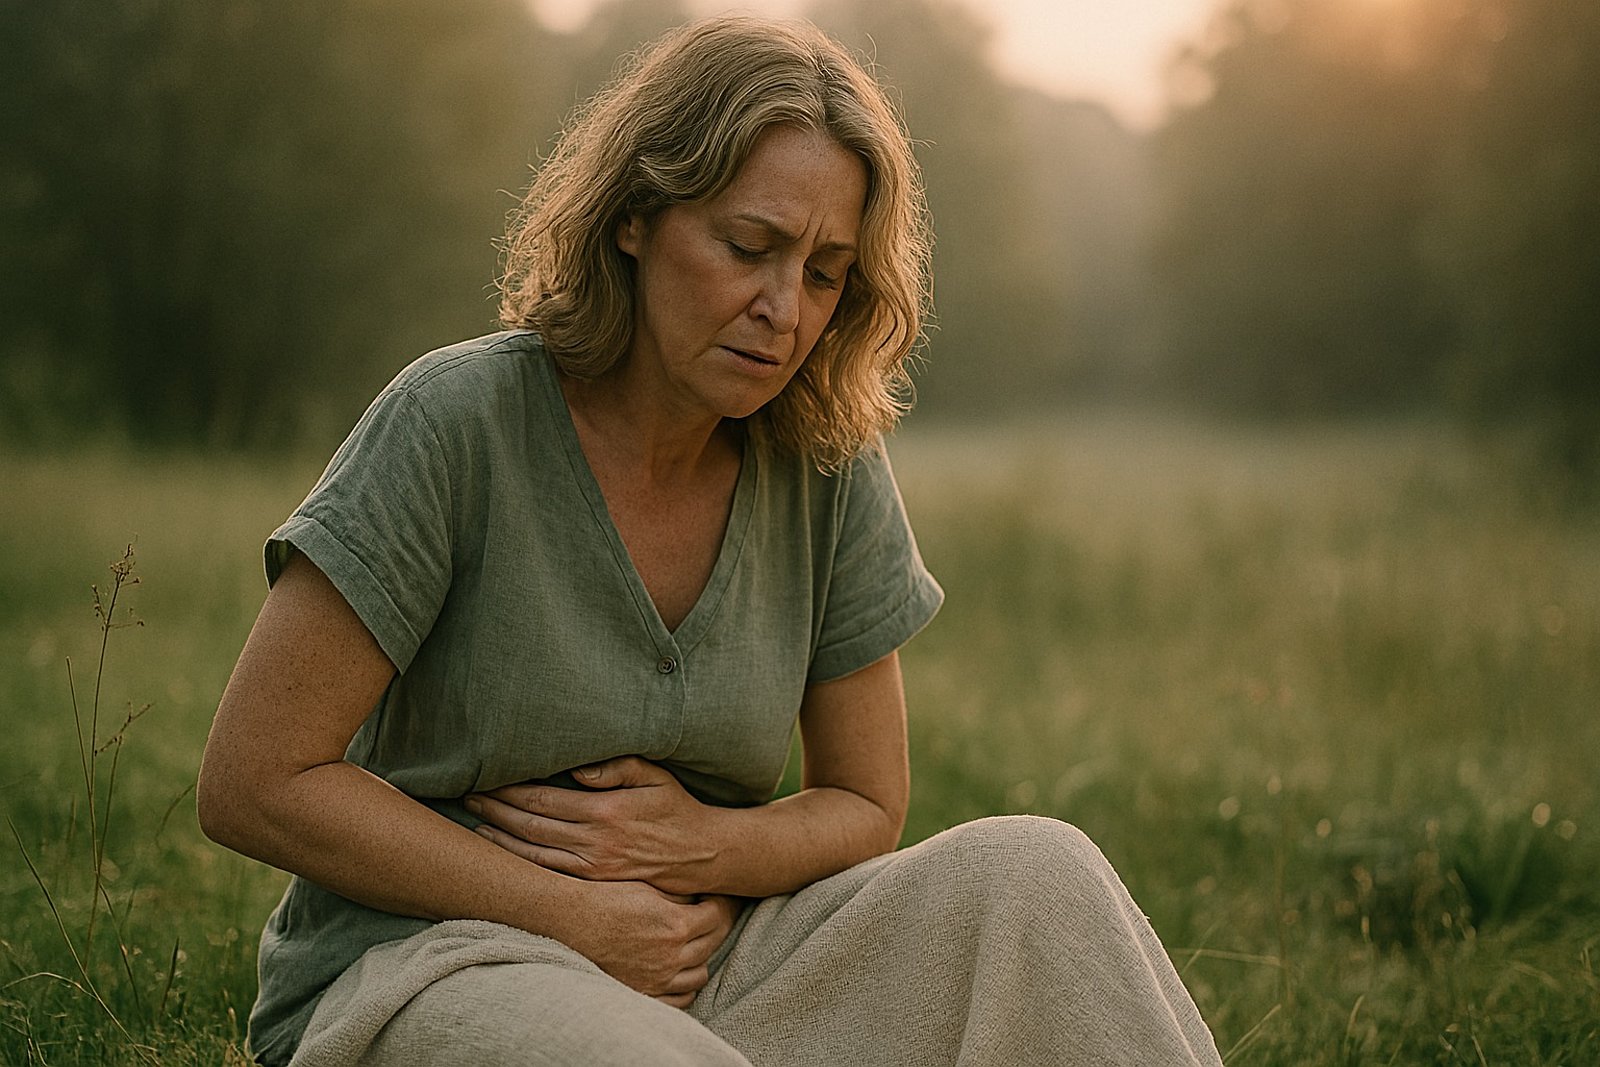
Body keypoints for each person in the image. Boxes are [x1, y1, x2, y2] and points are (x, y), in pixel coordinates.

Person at [197, 15, 1222, 1066]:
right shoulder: (455, 422)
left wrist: (704, 845)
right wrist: (573, 913)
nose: (783, 308)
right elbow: (254, 780)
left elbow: (867, 798)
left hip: (711, 956)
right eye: (749, 246)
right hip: (433, 964)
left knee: (1039, 872)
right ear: (637, 214)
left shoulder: (825, 459)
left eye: (824, 272)